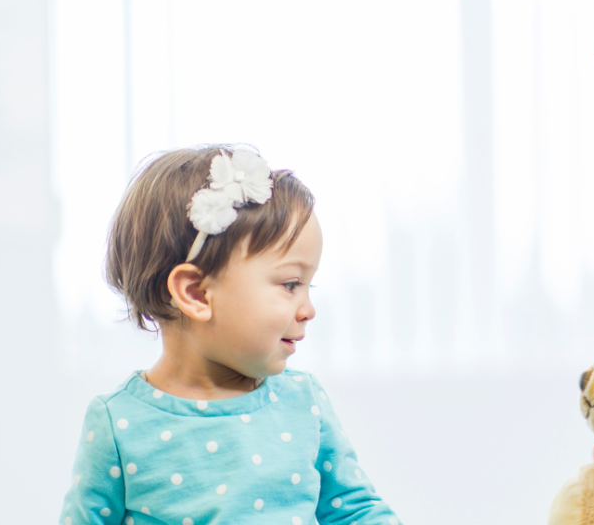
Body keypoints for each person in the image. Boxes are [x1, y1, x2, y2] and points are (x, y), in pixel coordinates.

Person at [59, 146, 402, 525]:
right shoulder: (118, 423)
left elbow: (356, 511)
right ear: (196, 293)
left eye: (309, 286)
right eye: (290, 284)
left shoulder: (304, 402)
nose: (308, 310)